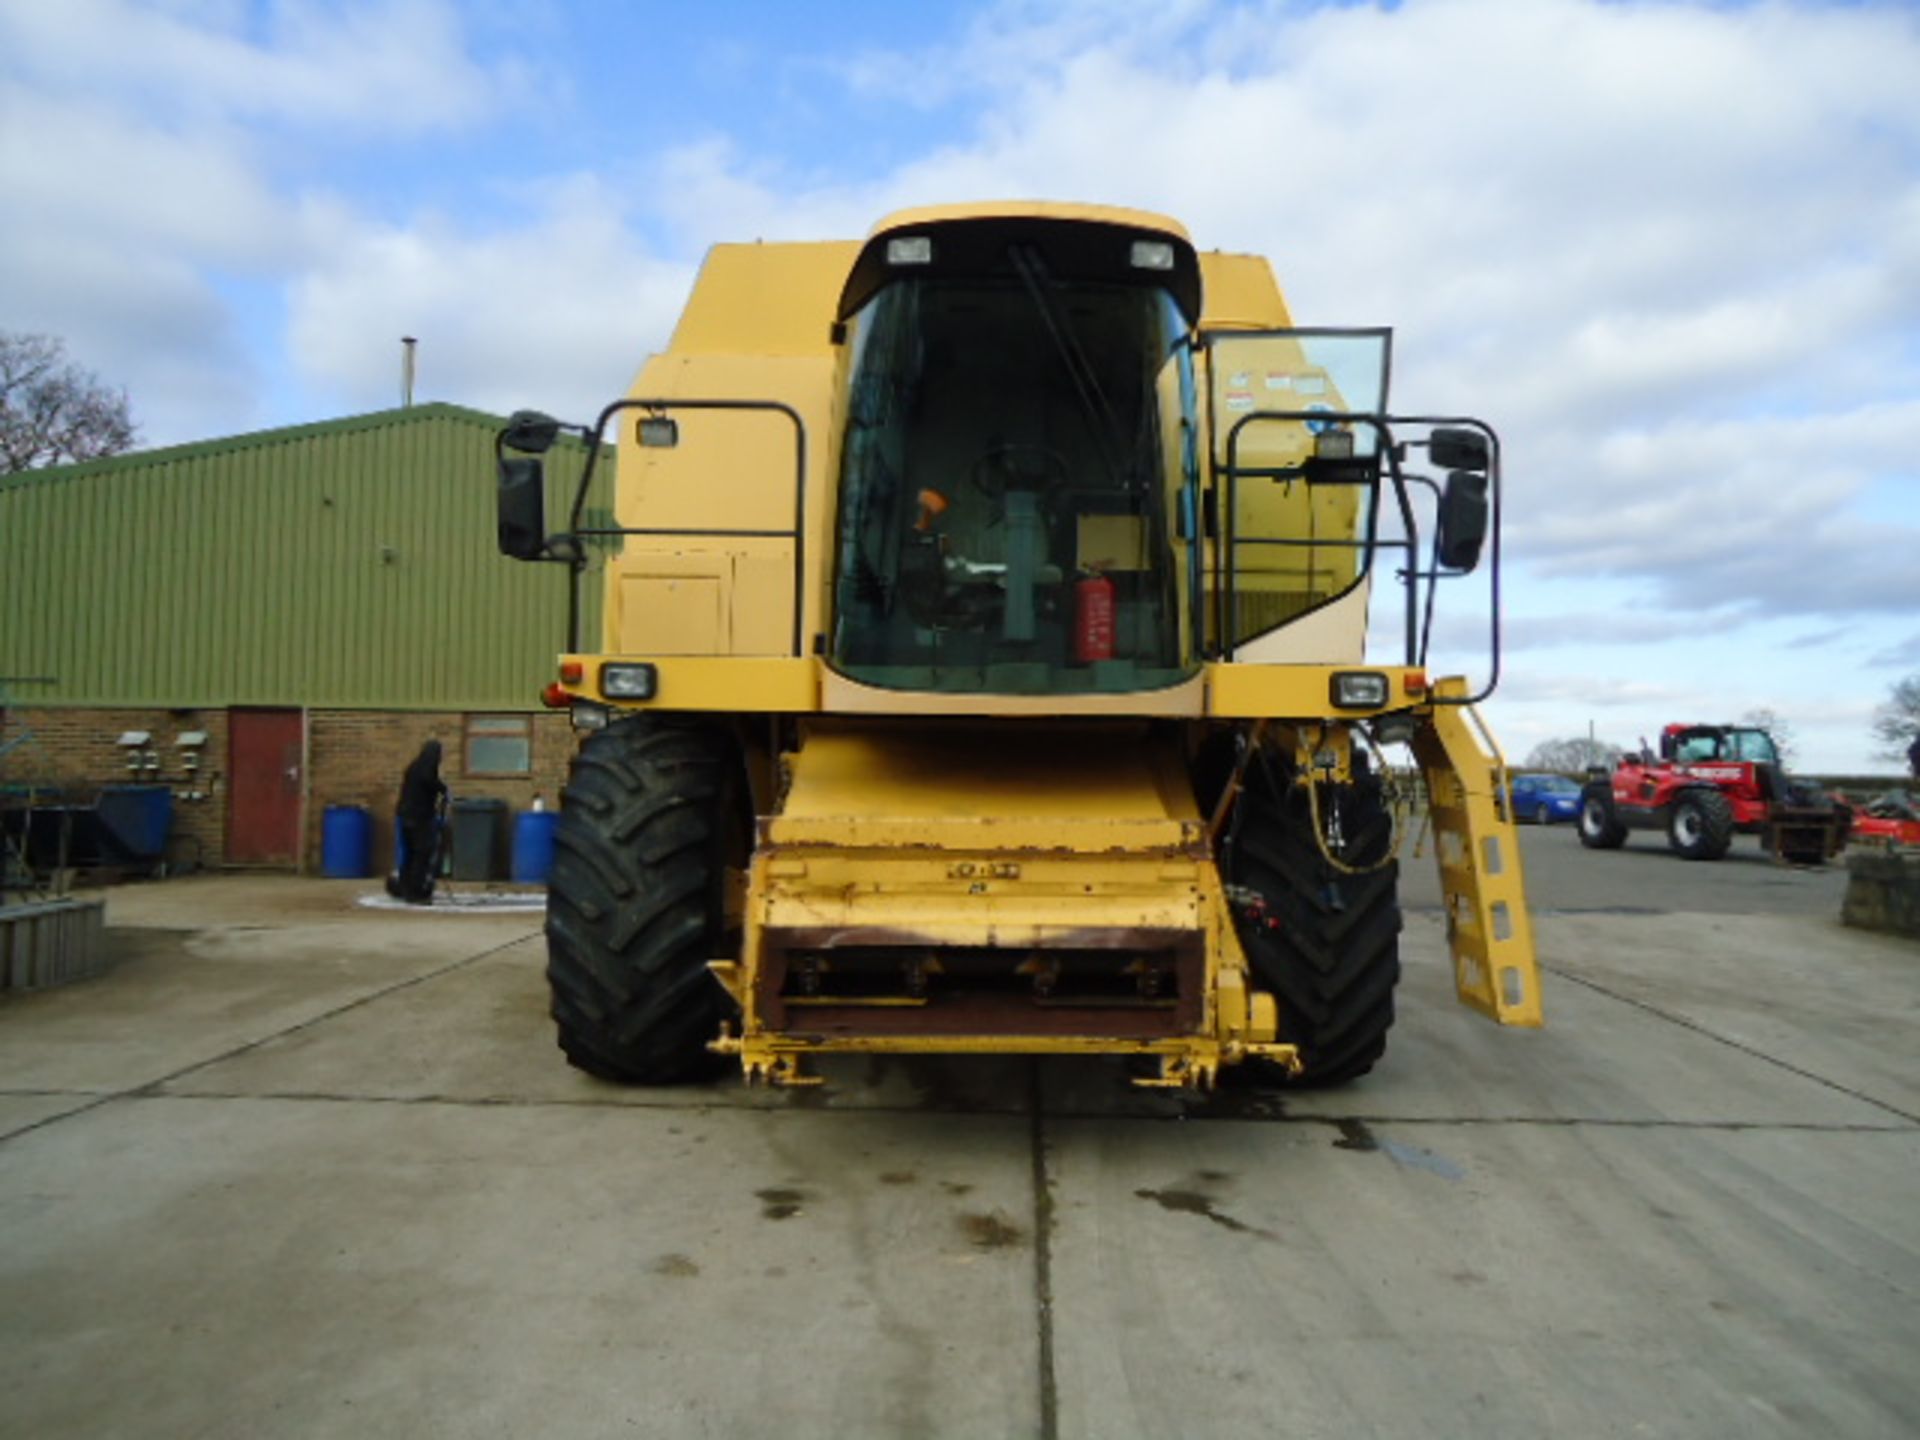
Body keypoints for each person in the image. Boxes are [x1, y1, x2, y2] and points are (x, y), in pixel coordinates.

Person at [388, 739, 448, 904]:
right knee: (422, 853)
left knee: (411, 854)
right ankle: (415, 891)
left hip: (407, 815)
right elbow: (429, 780)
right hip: (418, 817)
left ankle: (406, 887)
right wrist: (443, 788)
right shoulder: (426, 769)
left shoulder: (414, 767)